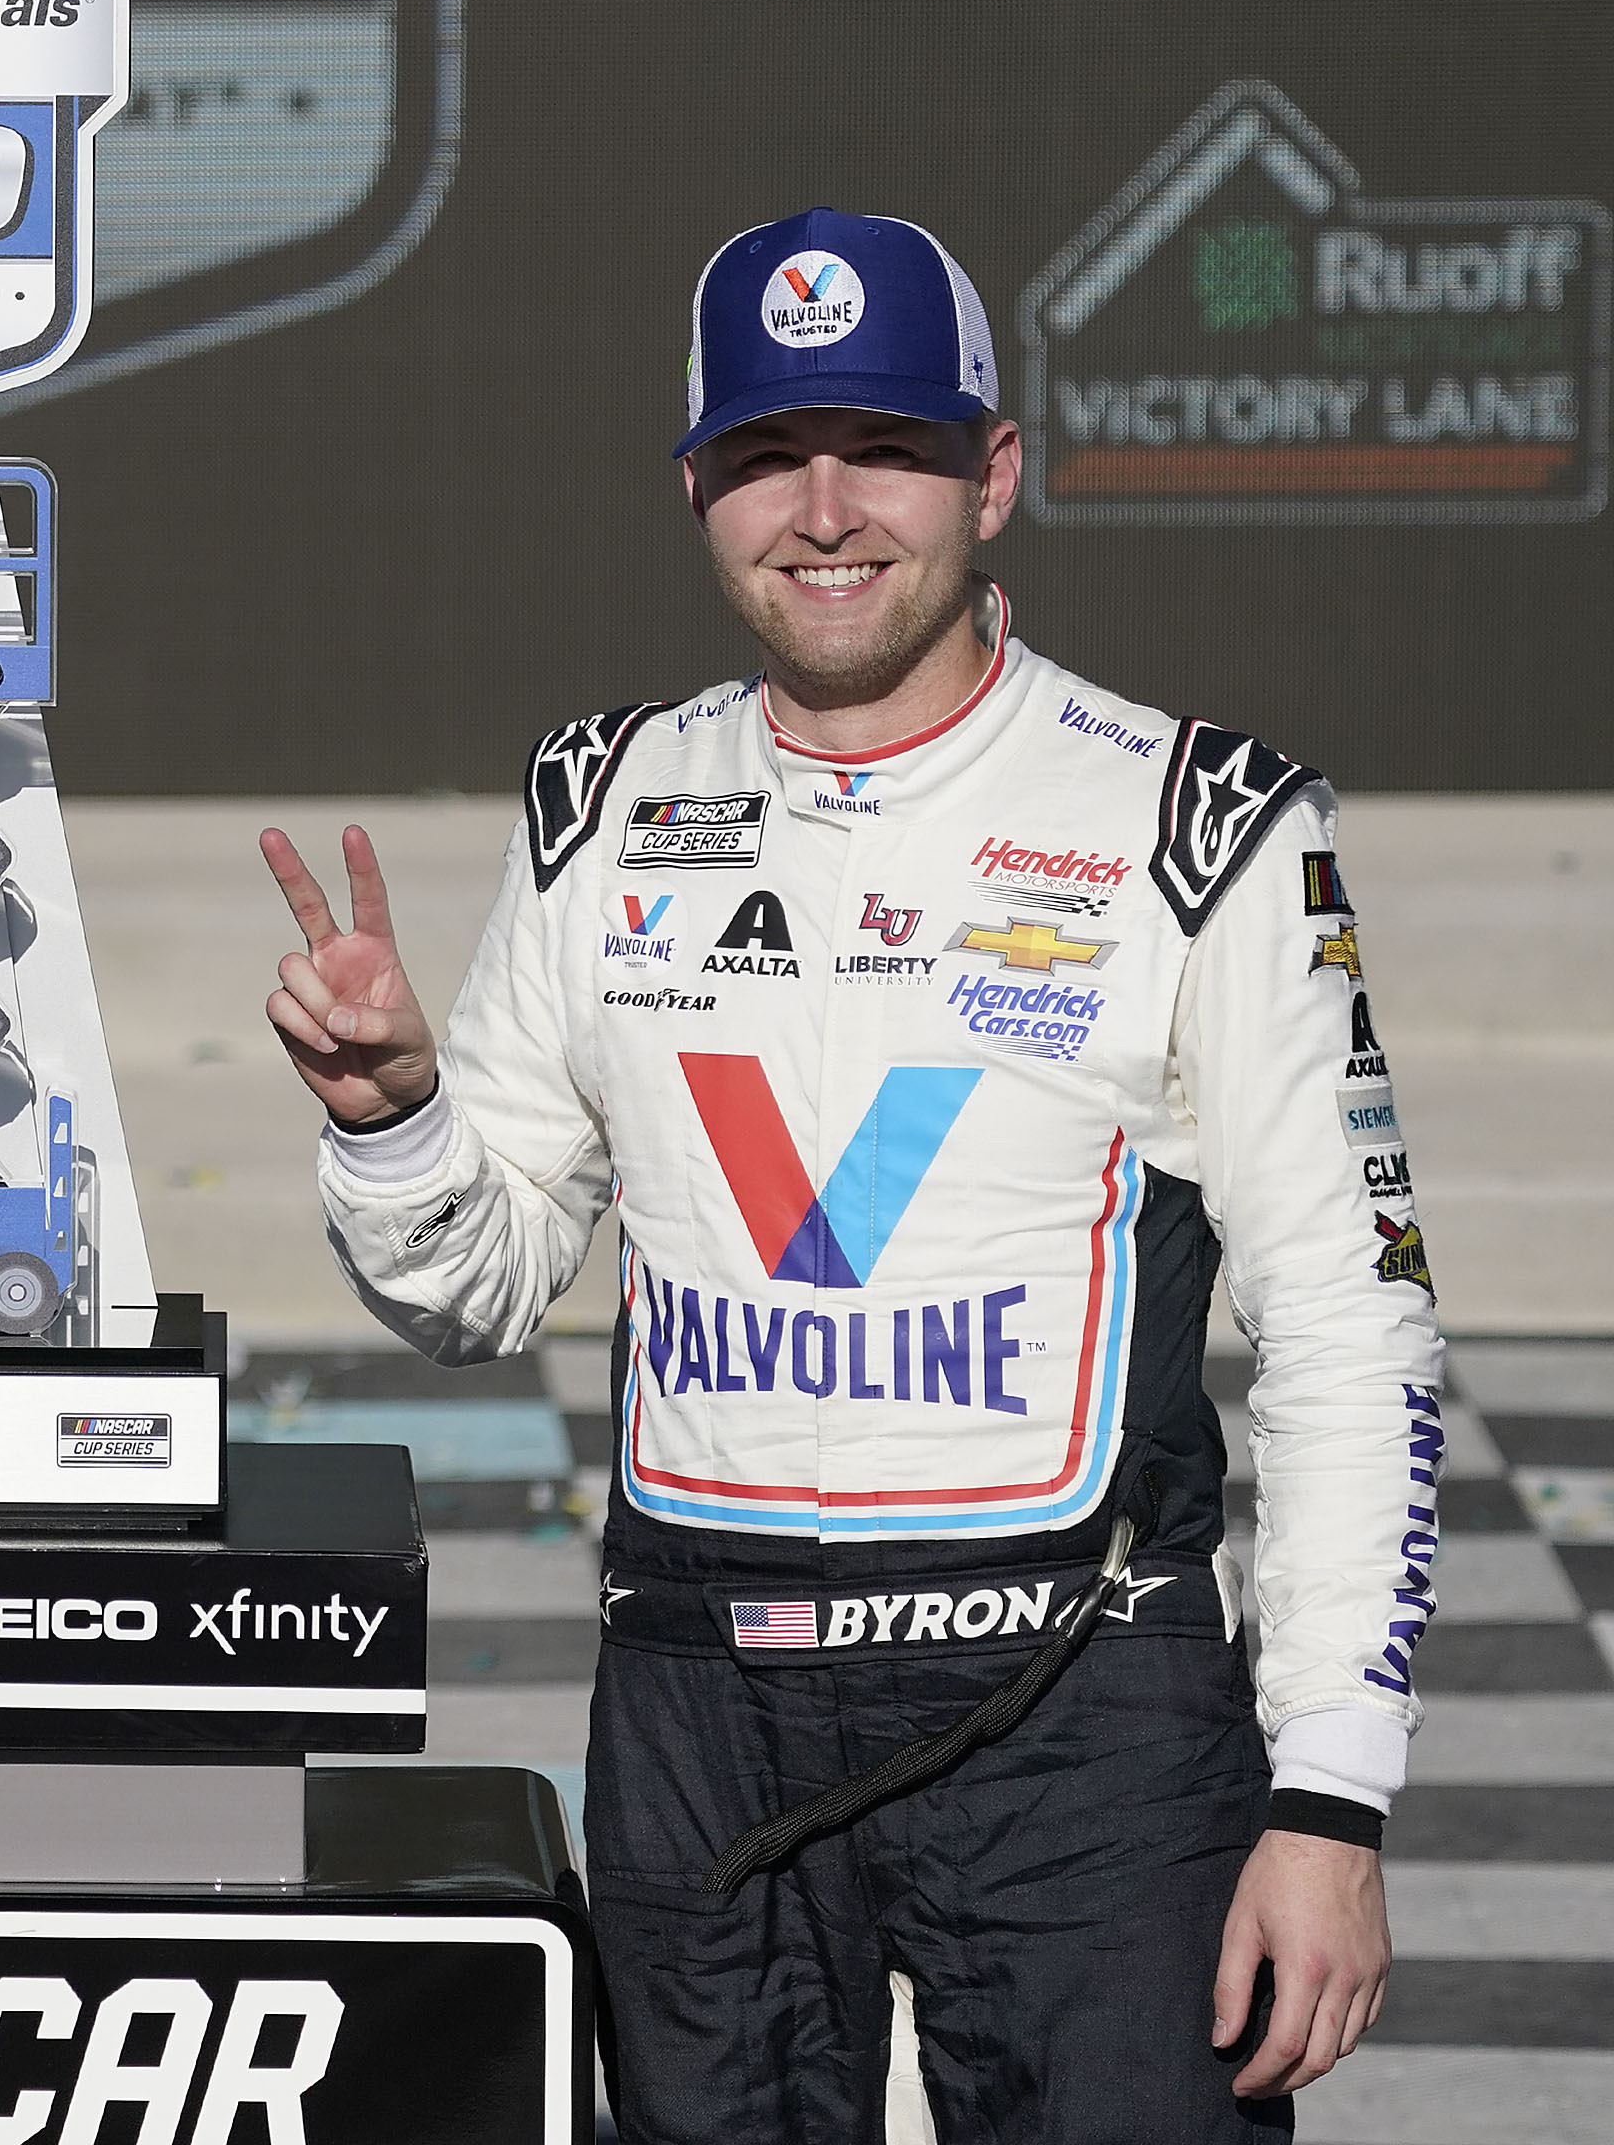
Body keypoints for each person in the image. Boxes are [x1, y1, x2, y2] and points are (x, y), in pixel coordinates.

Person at [261, 209, 1437, 2141]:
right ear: (700, 492)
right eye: (760, 455)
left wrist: (1329, 1795)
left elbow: (1347, 1330)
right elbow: (469, 1291)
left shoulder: (1207, 822)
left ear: (992, 472)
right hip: (699, 1710)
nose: (822, 509)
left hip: (1083, 1724)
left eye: (883, 444)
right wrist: (390, 1118)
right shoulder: (603, 801)